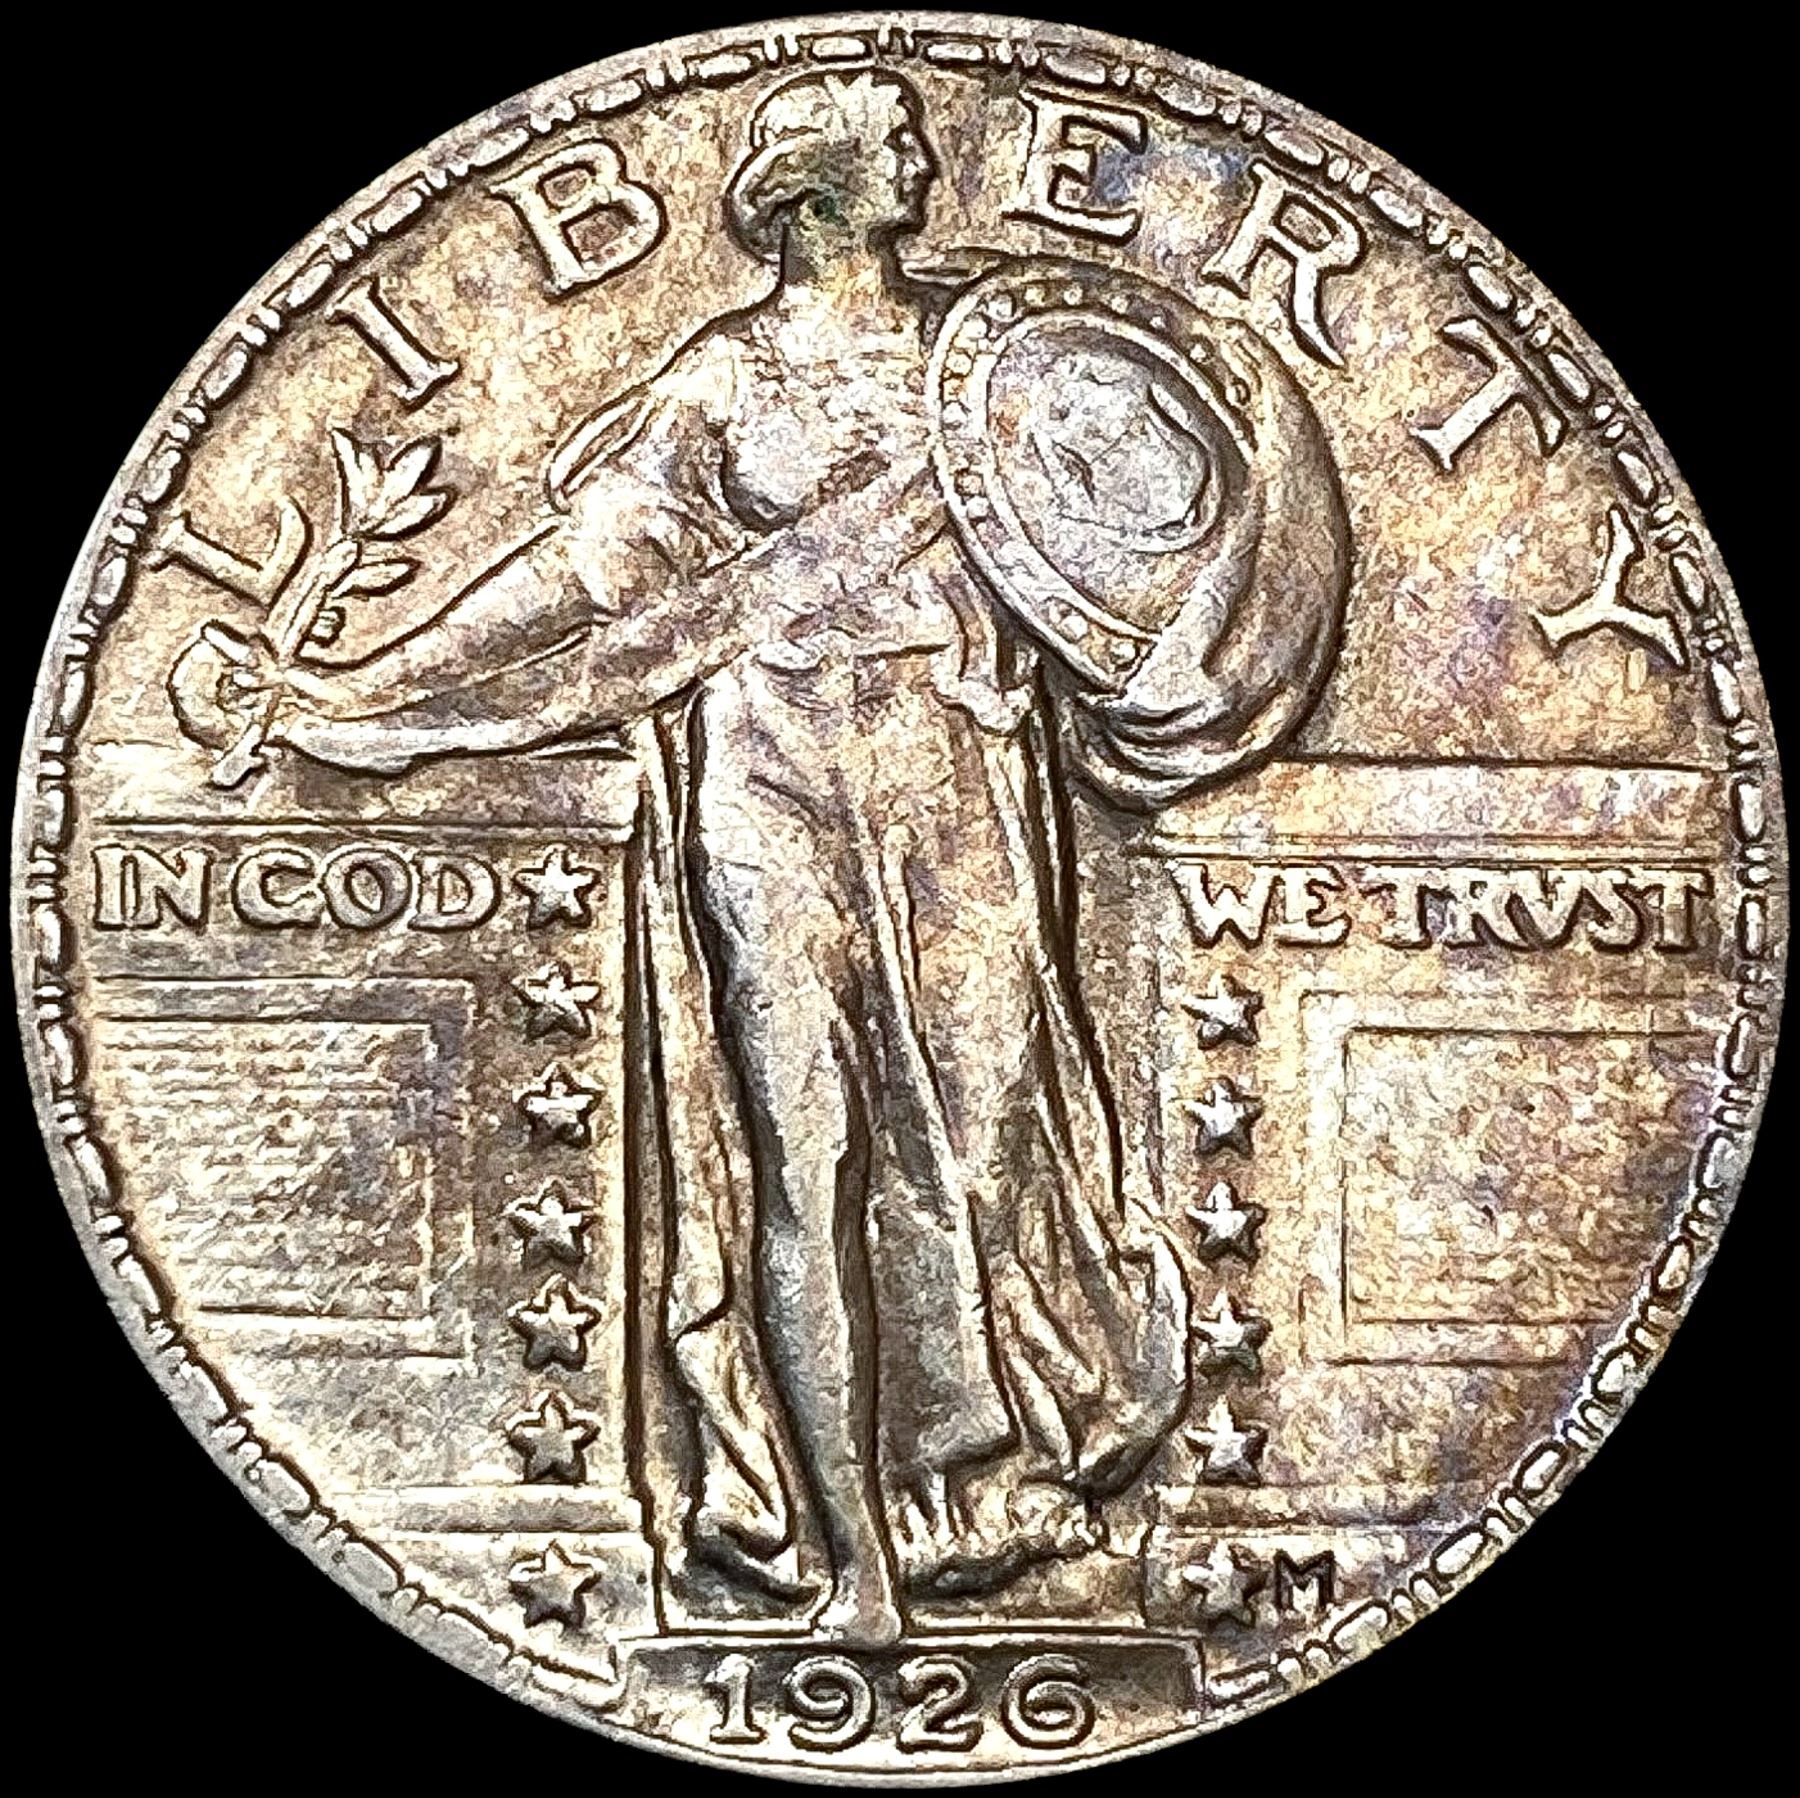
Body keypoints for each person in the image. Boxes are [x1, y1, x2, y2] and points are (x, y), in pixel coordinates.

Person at [173, 69, 1345, 1645]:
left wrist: (1196, 670)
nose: (920, 145)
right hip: (769, 786)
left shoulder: (994, 359)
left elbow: (1169, 524)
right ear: (806, 193)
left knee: (983, 1148)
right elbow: (573, 584)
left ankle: (969, 1488)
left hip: (955, 786)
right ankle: (849, 1551)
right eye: (883, 135)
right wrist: (359, 688)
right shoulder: (723, 384)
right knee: (804, 1157)